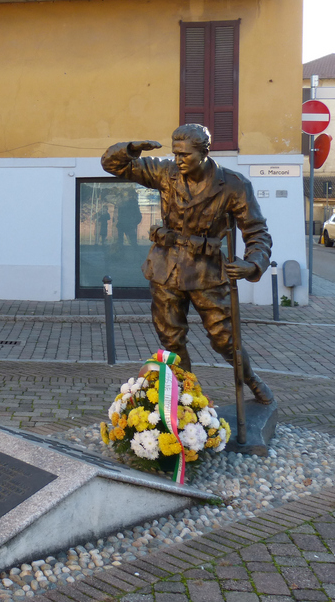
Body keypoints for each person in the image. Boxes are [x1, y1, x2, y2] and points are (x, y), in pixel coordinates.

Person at [101, 123, 274, 404]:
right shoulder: (165, 172)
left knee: (225, 339)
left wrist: (254, 264)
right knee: (171, 339)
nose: (178, 160)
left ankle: (250, 378)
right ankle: (188, 398)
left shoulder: (233, 184)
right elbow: (112, 164)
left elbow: (256, 232)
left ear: (205, 152)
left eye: (185, 155)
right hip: (165, 268)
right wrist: (132, 149)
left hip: (207, 272)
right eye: (175, 153)